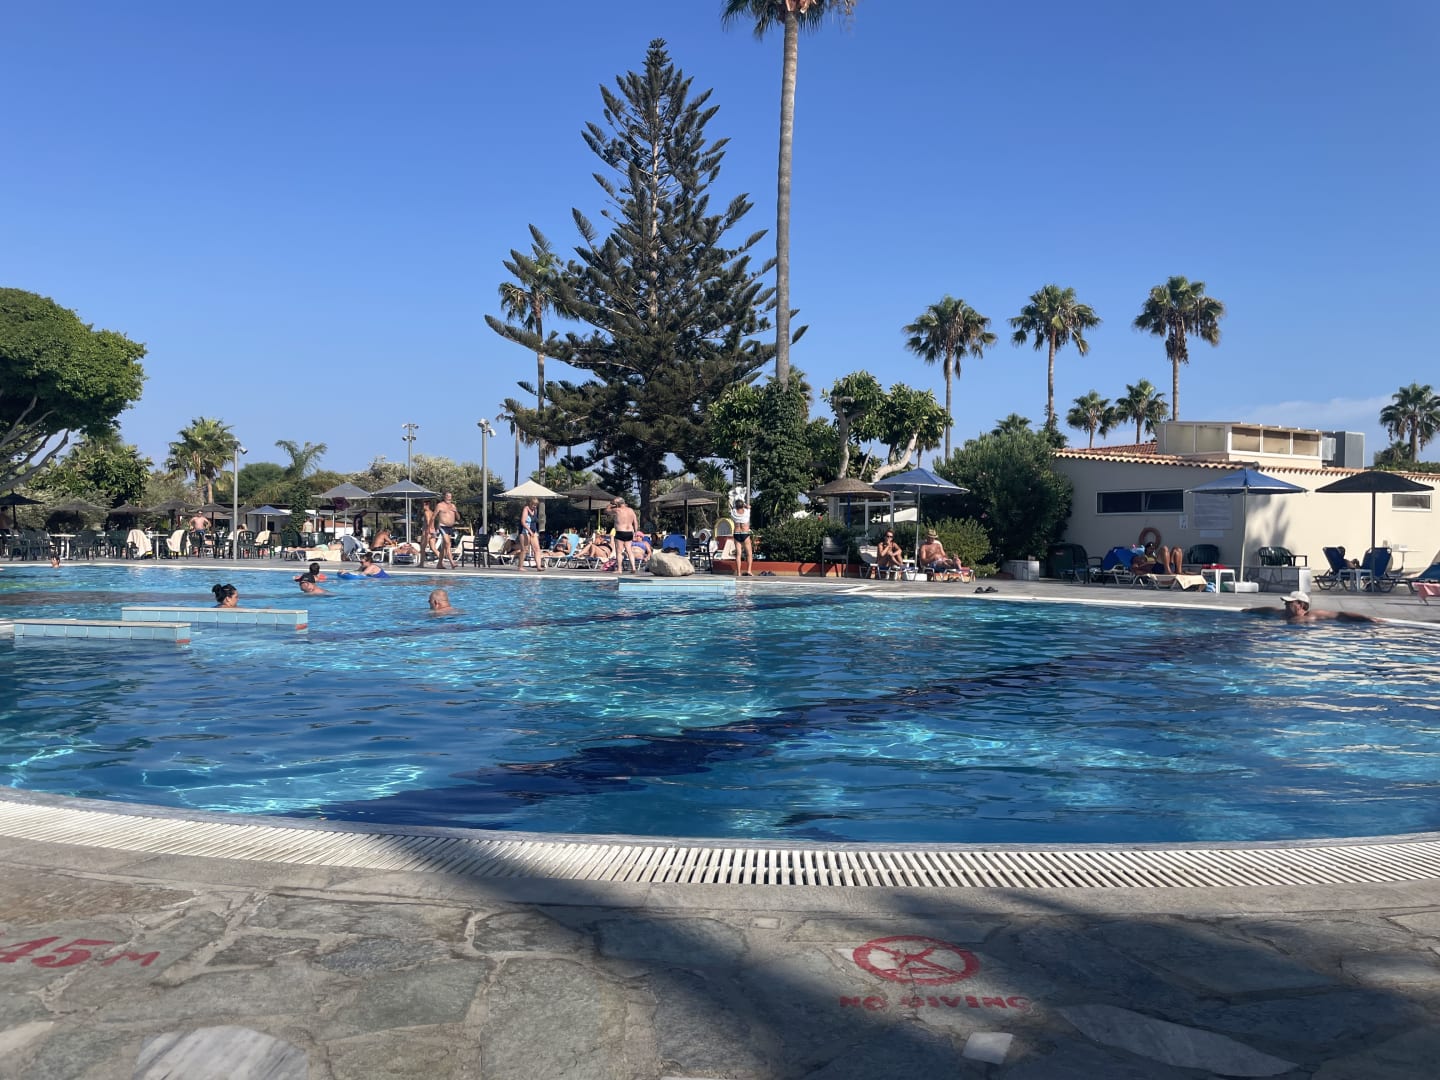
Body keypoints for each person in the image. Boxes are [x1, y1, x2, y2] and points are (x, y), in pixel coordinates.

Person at [1247, 590, 1375, 623]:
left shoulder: (1312, 615)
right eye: (1286, 602)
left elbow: (1340, 615)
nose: (1285, 604)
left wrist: (1367, 618)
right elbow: (1264, 610)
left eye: (1290, 602)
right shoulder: (1281, 613)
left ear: (1301, 605)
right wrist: (1249, 611)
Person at [610, 497, 640, 574]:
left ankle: (619, 569)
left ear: (618, 504)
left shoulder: (617, 510)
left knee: (619, 551)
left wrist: (611, 505)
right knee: (629, 550)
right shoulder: (631, 510)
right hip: (629, 532)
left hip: (620, 531)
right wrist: (636, 532)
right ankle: (633, 567)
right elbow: (635, 522)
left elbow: (606, 510)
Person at [516, 497, 544, 571]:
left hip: (533, 531)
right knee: (524, 549)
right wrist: (529, 531)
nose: (534, 506)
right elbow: (523, 522)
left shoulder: (535, 510)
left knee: (537, 549)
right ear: (530, 503)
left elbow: (534, 521)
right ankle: (520, 566)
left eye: (536, 505)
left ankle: (538, 566)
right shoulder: (526, 509)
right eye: (533, 504)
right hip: (525, 531)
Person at [434, 491, 459, 570]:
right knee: (448, 544)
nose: (449, 497)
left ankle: (439, 564)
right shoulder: (440, 505)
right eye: (447, 496)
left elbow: (458, 518)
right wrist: (432, 527)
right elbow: (433, 516)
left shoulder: (453, 506)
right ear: (444, 497)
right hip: (442, 526)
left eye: (450, 496)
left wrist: (455, 511)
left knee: (444, 547)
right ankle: (452, 563)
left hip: (450, 528)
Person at [731, 498, 755, 577]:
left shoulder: (733, 513)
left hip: (737, 533)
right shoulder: (747, 512)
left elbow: (733, 508)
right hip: (745, 533)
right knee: (749, 554)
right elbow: (749, 506)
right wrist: (745, 505)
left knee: (738, 554)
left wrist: (737, 506)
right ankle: (749, 570)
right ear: (742, 506)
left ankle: (738, 572)